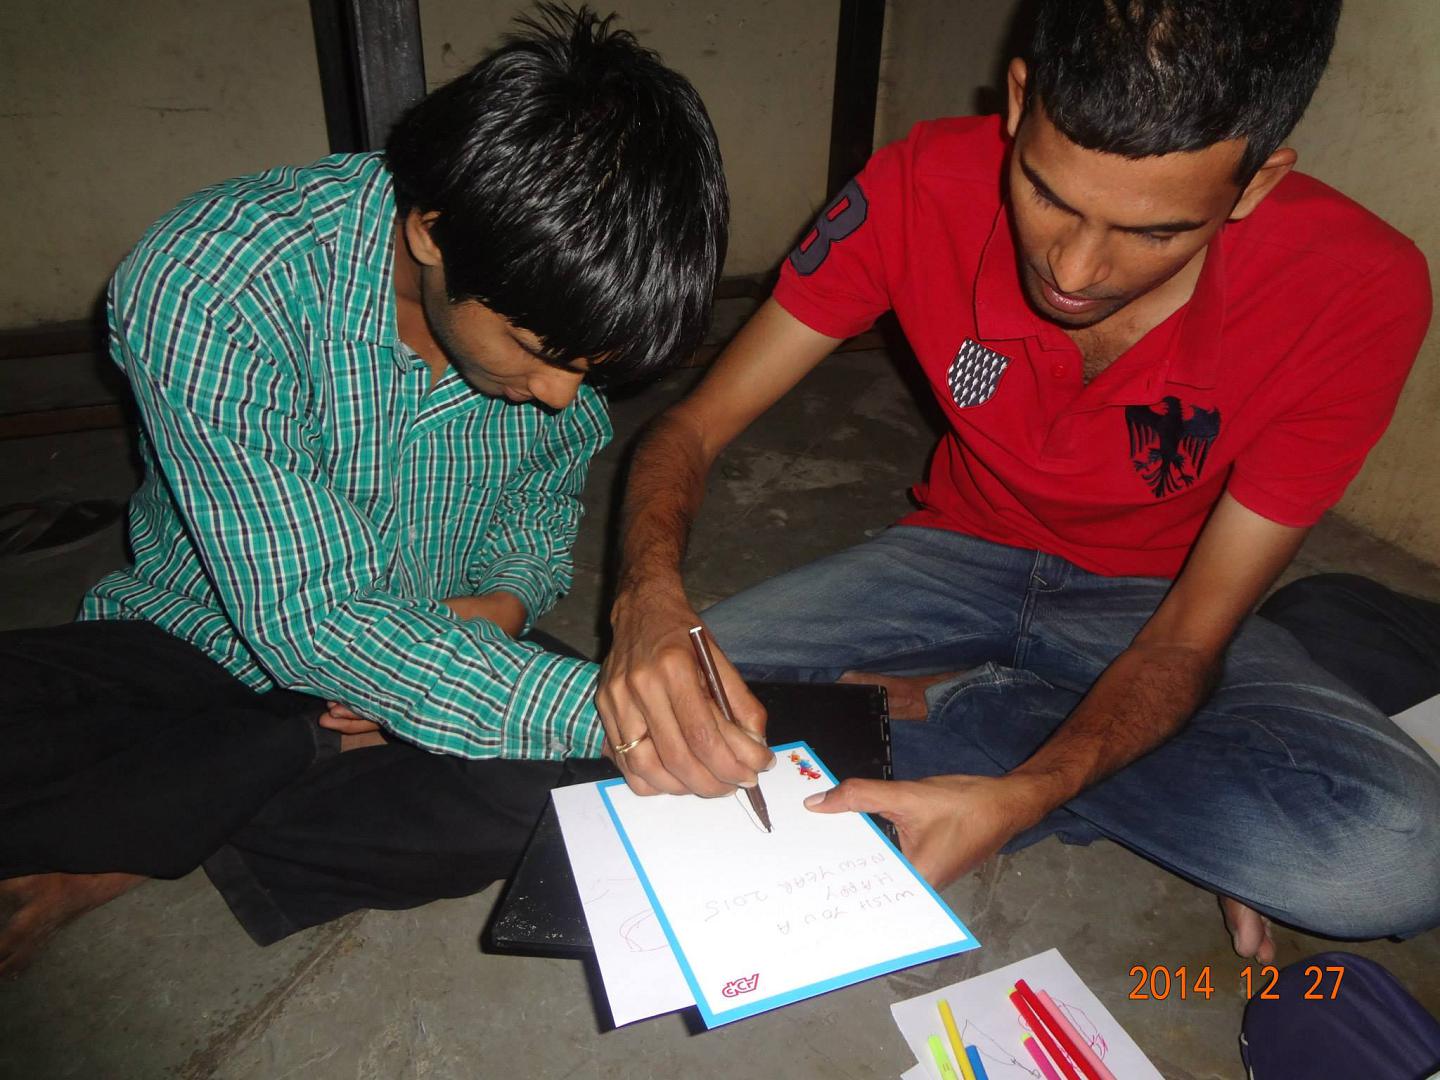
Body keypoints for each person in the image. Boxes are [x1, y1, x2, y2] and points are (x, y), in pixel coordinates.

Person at [596, 0, 1440, 964]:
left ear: (1255, 185)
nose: (1075, 268)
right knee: (649, 717)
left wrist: (1028, 792)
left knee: (1395, 859)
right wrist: (646, 599)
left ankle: (971, 706)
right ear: (1020, 96)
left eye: (1155, 232)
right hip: (954, 554)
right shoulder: (918, 182)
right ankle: (1106, 764)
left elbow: (1187, 638)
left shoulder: (1357, 288)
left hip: (1156, 604)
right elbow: (693, 428)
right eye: (1049, 193)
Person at [0, 3, 727, 975]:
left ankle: (142, 840)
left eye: (592, 370)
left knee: (560, 789)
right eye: (540, 353)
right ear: (433, 232)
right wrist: (618, 710)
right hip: (202, 639)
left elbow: (540, 508)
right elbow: (313, 618)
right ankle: (272, 769)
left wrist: (500, 607)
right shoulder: (213, 283)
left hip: (434, 625)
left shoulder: (556, 344)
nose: (563, 397)